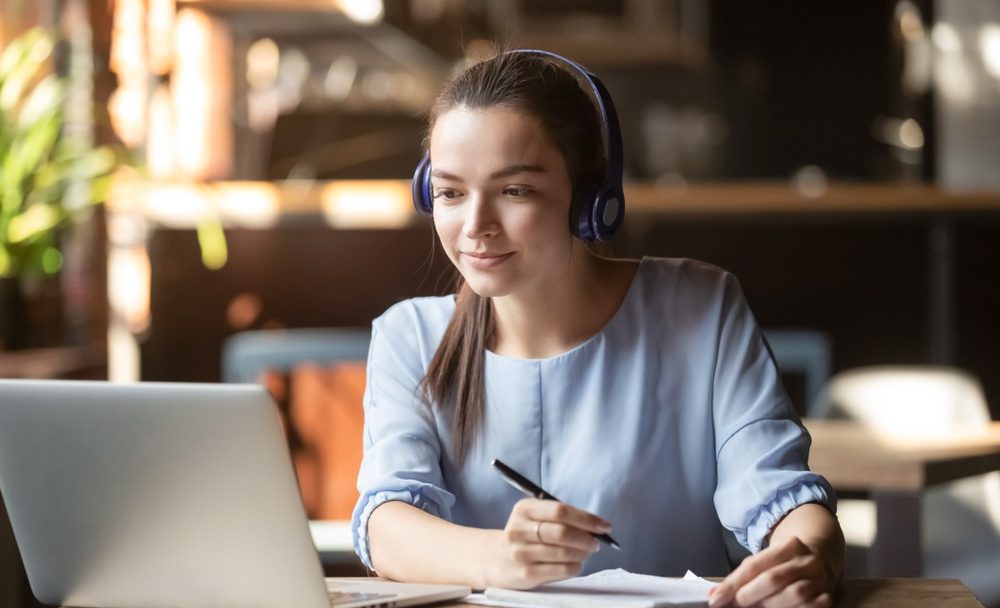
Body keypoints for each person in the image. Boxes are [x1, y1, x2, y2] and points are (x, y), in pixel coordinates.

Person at [351, 49, 845, 608]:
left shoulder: (700, 308)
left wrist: (812, 556)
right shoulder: (408, 336)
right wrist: (503, 558)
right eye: (450, 192)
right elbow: (387, 525)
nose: (475, 226)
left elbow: (779, 496)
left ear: (590, 199)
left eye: (515, 191)